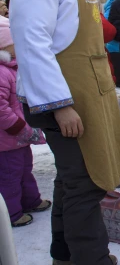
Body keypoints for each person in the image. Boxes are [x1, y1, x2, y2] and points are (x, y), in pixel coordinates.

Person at [11, 0, 120, 265]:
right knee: (85, 184)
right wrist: (59, 104)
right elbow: (32, 40)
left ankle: (64, 255)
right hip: (66, 97)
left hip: (85, 92)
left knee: (70, 181)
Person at [0, 17, 49, 227]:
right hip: (7, 139)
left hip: (20, 136)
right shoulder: (2, 72)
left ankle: (30, 200)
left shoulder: (13, 68)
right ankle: (11, 213)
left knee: (25, 169)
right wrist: (20, 128)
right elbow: (2, 110)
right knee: (9, 176)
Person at [103, 0, 120, 87]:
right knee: (119, 78)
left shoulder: (112, 6)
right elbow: (109, 29)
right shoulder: (112, 9)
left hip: (117, 48)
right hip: (115, 49)